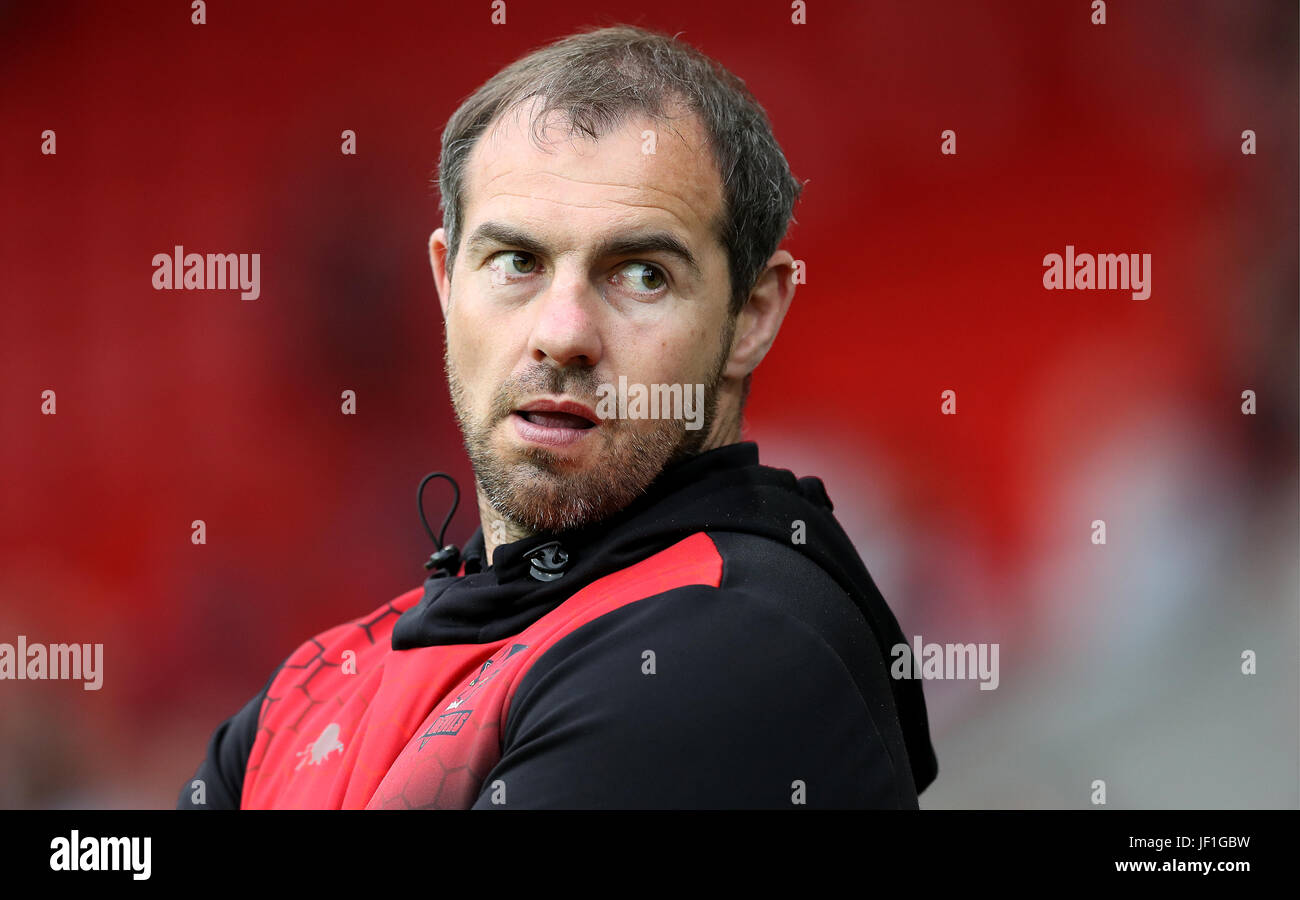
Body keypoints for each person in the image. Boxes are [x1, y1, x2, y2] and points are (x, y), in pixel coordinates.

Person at [178, 23, 937, 810]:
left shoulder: (738, 639)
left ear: (751, 313)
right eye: (517, 263)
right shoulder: (304, 695)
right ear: (446, 283)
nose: (563, 334)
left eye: (641, 274)